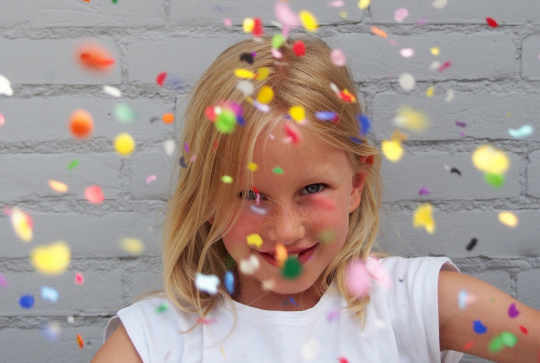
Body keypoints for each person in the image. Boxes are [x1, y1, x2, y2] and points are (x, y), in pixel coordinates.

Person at [91, 35, 540, 363]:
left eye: (311, 189)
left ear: (357, 185)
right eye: (250, 195)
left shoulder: (414, 303)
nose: (285, 231)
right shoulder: (151, 342)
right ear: (208, 200)